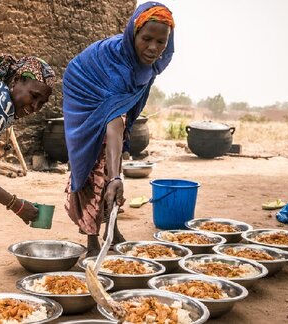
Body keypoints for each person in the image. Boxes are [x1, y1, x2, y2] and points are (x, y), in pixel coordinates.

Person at [63, 1, 175, 256]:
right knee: (93, 167)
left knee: (111, 164)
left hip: (112, 107)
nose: (153, 48)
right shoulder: (117, 63)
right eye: (146, 39)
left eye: (161, 42)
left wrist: (116, 175)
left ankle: (110, 230)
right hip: (84, 91)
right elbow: (114, 122)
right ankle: (92, 241)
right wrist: (115, 177)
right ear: (133, 34)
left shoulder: (147, 62)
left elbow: (120, 116)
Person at [0, 55, 56, 224]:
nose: (35, 107)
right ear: (16, 80)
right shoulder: (1, 102)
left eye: (41, 103)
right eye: (34, 96)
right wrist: (16, 205)